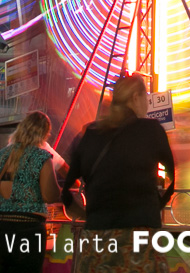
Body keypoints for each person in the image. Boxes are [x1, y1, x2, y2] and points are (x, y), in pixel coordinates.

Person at [61, 74, 175, 273]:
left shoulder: (91, 134)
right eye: (146, 97)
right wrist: (152, 208)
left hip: (96, 243)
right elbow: (171, 181)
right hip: (139, 242)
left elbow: (65, 193)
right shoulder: (151, 131)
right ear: (135, 98)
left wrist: (89, 215)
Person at [0, 112, 61, 273]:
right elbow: (50, 195)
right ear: (45, 133)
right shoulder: (42, 157)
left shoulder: (1, 156)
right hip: (27, 232)